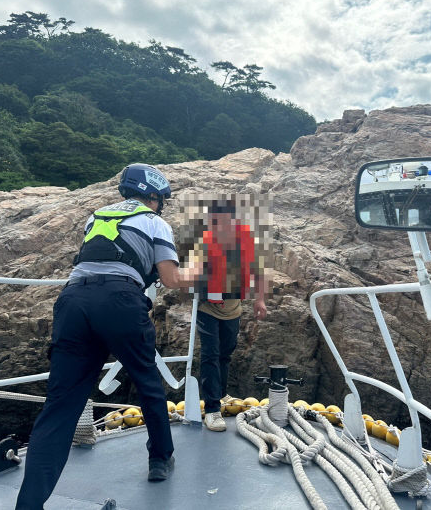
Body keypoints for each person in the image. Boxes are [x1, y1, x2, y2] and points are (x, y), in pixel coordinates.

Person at [16, 164, 199, 510]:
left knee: (59, 406)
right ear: (154, 197)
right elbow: (171, 279)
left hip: (72, 302)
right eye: (161, 199)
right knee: (147, 382)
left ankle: (29, 504)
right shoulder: (156, 222)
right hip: (120, 302)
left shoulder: (96, 216)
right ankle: (160, 460)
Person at [193, 198, 268, 432]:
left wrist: (260, 299)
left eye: (222, 221)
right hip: (207, 308)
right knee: (210, 354)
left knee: (225, 354)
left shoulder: (245, 240)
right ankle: (213, 409)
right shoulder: (204, 241)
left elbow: (258, 271)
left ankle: (222, 393)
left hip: (233, 308)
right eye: (214, 222)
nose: (218, 226)